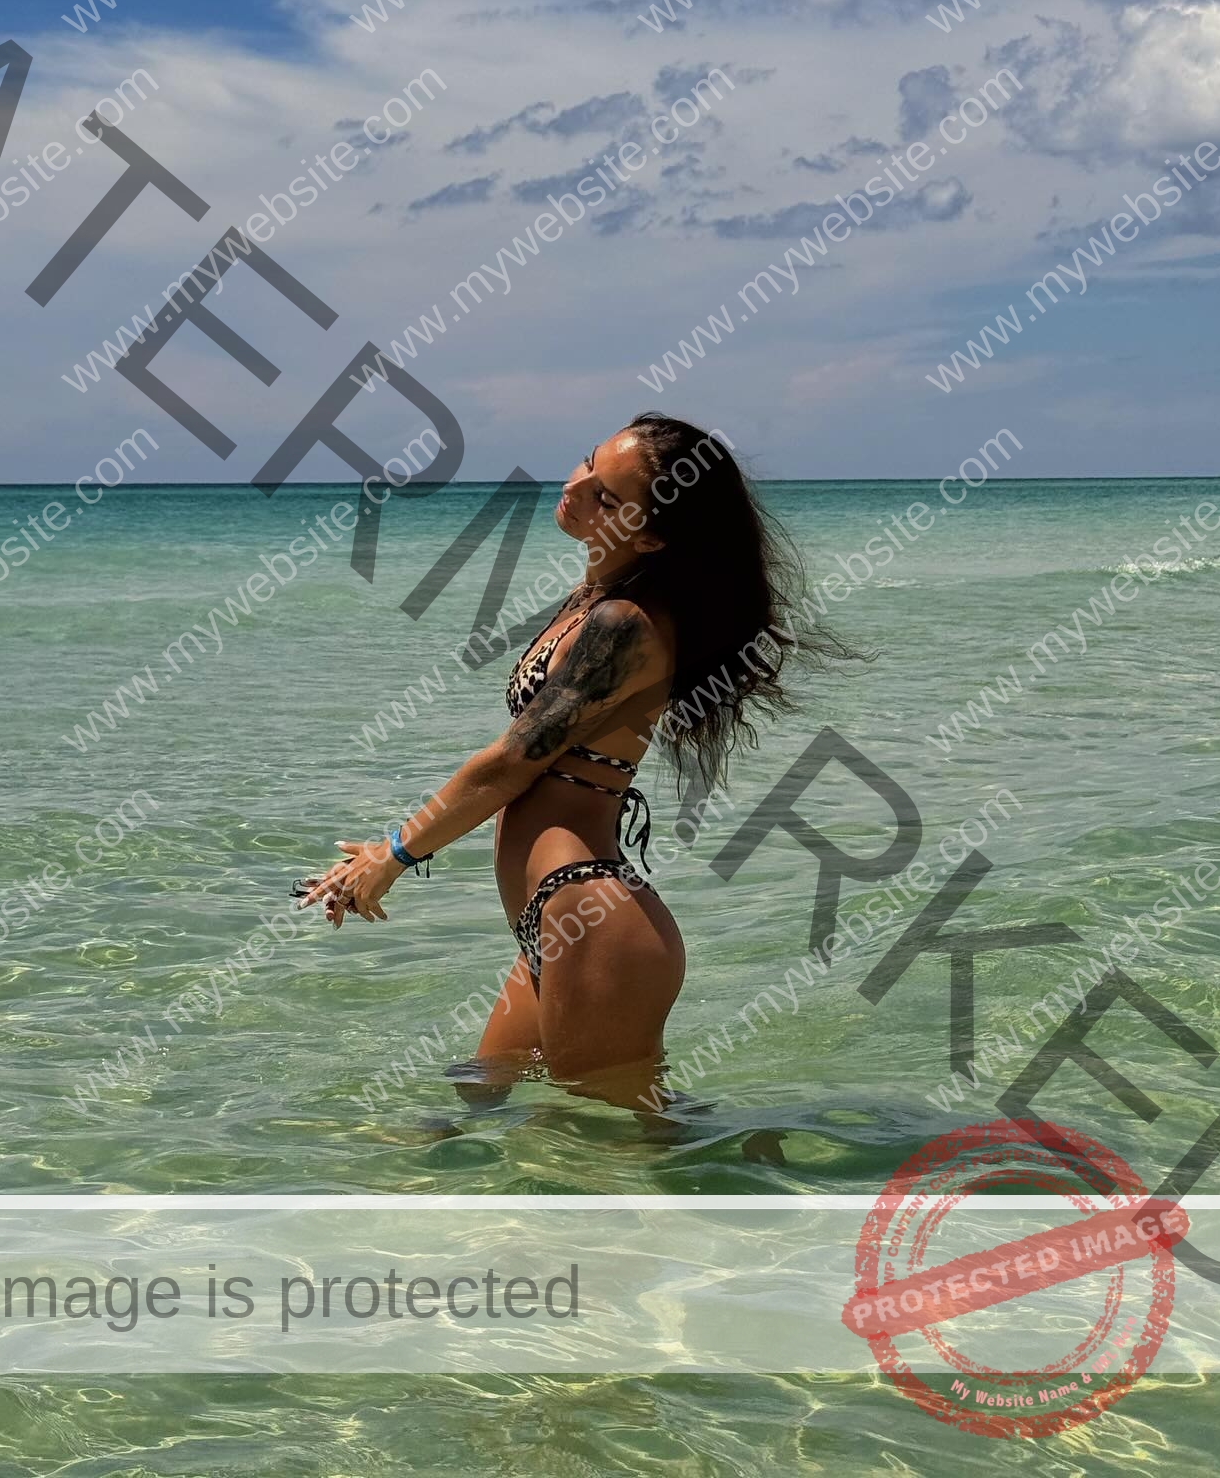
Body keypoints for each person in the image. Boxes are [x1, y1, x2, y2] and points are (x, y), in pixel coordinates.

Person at [298, 411, 847, 1110]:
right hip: (554, 923)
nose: (577, 485)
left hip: (589, 915)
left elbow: (511, 763)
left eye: (607, 496)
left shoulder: (626, 625)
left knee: (614, 1152)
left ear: (648, 536)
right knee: (475, 1103)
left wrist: (395, 855)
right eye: (589, 464)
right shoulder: (594, 604)